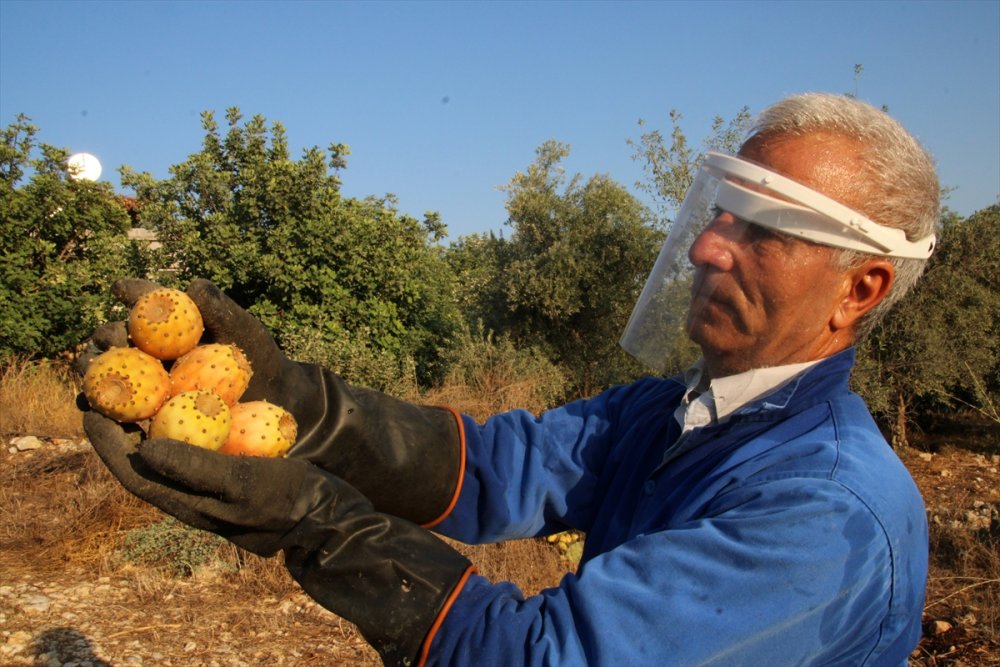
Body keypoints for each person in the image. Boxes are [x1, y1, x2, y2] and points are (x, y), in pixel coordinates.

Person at [80, 92, 940, 666]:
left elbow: (543, 657)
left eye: (763, 229)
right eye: (720, 212)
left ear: (859, 289)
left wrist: (323, 527)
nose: (711, 245)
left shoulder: (825, 513)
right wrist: (299, 405)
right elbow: (500, 466)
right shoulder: (678, 412)